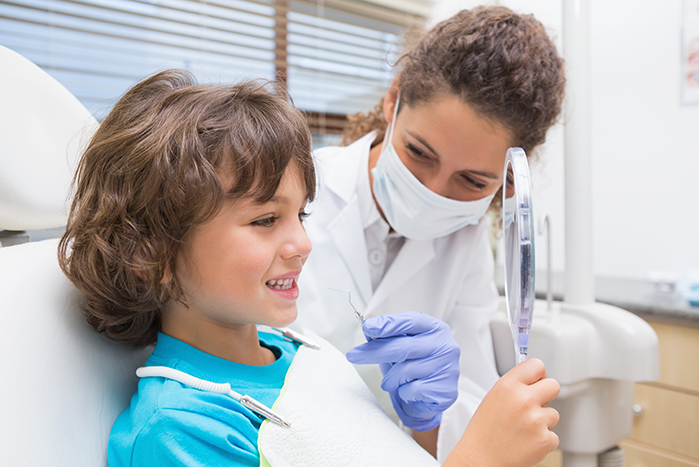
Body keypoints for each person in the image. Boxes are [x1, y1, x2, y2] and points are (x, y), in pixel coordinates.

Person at [58, 69, 559, 467]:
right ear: (150, 255)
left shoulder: (305, 351)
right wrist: (480, 459)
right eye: (265, 219)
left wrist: (425, 427)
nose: (302, 241)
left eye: (302, 214)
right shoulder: (183, 429)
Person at [295, 5, 566, 460]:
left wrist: (430, 417)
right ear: (392, 99)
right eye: (419, 153)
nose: (432, 192)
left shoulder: (468, 242)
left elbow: (473, 422)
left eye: (472, 181)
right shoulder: (299, 195)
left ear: (508, 177)